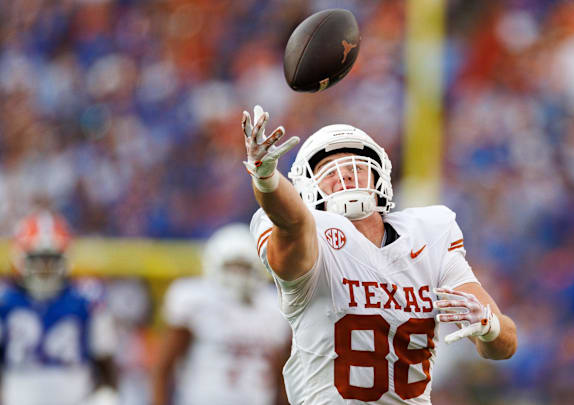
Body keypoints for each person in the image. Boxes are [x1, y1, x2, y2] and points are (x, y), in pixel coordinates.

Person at [243, 105, 518, 403]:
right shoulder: (310, 239)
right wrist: (267, 179)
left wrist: (488, 327)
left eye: (356, 168)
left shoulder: (429, 235)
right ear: (305, 189)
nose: (344, 177)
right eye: (328, 172)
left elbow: (505, 345)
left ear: (379, 179)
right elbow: (293, 223)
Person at [152, 223, 290, 405]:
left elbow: (283, 376)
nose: (238, 276)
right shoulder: (196, 301)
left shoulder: (274, 307)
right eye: (232, 267)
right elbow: (163, 368)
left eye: (244, 268)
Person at [0, 211, 118, 405]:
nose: (45, 270)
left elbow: (105, 364)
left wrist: (106, 396)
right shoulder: (6, 302)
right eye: (38, 261)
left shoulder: (87, 301)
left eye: (51, 261)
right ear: (20, 258)